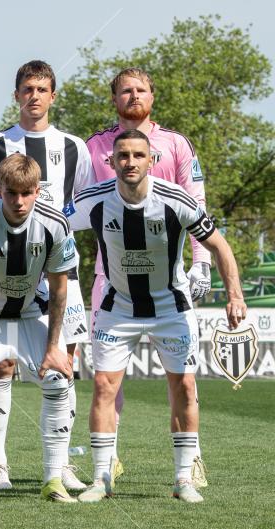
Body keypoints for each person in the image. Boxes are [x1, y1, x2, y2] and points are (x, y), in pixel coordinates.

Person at [66, 129, 246, 503]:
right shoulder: (94, 199)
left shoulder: (176, 200)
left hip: (171, 307)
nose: (130, 162)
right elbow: (52, 223)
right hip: (117, 308)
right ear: (111, 161)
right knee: (104, 386)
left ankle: (184, 479)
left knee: (185, 387)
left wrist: (234, 295)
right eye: (123, 156)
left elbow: (219, 245)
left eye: (138, 155)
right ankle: (101, 479)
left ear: (152, 160)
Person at [0, 60, 93, 491]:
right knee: (0, 366)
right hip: (1, 266)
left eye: (41, 89)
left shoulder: (74, 147)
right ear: (16, 95)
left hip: (58, 270)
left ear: (53, 96)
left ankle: (61, 464)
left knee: (63, 362)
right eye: (27, 89)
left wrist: (59, 234)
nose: (34, 96)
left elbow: (86, 203)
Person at [85, 68, 211, 486]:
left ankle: (190, 461)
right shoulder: (94, 146)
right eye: (125, 91)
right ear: (114, 98)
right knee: (107, 377)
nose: (133, 96)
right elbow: (77, 206)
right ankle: (108, 460)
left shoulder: (176, 144)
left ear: (152, 96)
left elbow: (197, 206)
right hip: (109, 279)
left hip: (167, 281)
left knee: (182, 376)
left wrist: (201, 263)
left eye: (141, 90)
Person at [0, 153, 78, 504]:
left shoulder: (55, 224)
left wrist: (53, 348)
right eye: (11, 193)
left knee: (58, 378)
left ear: (37, 191)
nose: (19, 201)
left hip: (30, 316)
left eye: (26, 193)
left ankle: (53, 479)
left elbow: (59, 290)